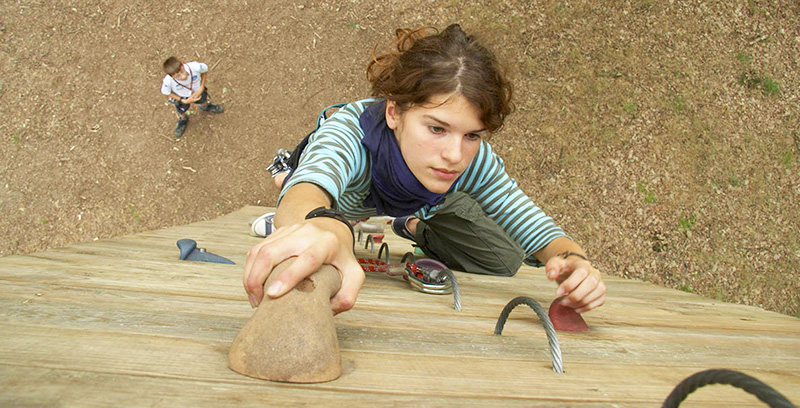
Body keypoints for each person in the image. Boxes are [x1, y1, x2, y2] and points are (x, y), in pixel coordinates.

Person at [244, 24, 606, 315]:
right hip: (342, 196)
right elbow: (306, 191)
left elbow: (533, 225)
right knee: (312, 212)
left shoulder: (472, 159)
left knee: (505, 258)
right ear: (394, 112)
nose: (454, 155)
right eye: (436, 128)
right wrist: (323, 228)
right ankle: (289, 182)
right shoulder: (350, 134)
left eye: (472, 135)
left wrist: (574, 261)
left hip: (424, 200)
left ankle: (410, 222)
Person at [160, 57, 224, 138]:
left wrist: (201, 87)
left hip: (198, 91)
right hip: (183, 97)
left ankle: (205, 106)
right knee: (181, 110)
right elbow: (166, 92)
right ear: (172, 77)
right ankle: (183, 119)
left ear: (183, 65)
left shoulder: (195, 67)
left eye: (182, 72)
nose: (183, 77)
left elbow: (205, 69)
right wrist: (182, 100)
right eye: (178, 77)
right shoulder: (168, 81)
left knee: (203, 99)